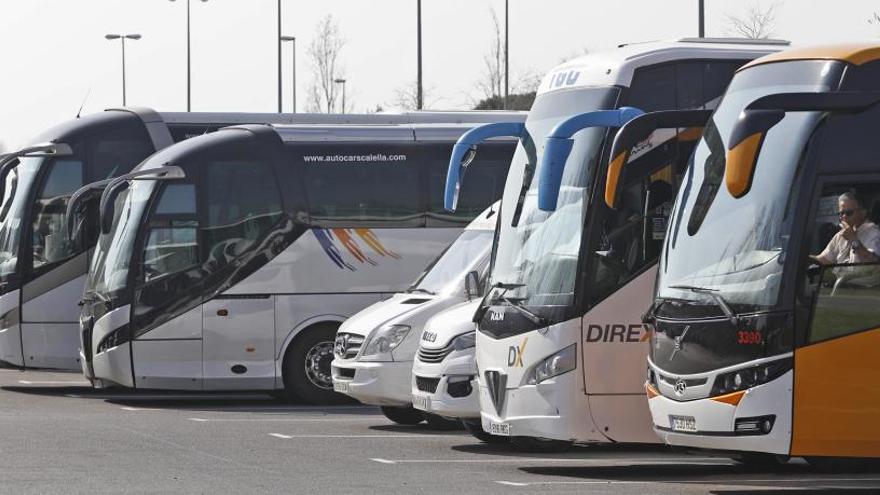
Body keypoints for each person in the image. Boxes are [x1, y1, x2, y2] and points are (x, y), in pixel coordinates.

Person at [811, 192, 880, 266]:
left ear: (863, 212)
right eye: (841, 213)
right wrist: (806, 257)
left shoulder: (874, 233)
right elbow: (824, 260)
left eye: (849, 213)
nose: (844, 217)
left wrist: (854, 240)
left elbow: (873, 263)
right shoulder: (841, 234)